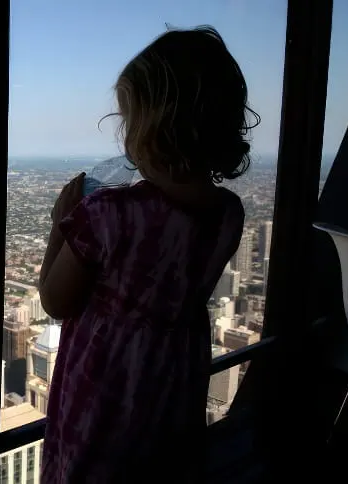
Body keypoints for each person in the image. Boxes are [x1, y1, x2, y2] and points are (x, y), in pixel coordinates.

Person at [39, 26, 257, 483]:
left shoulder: (107, 213)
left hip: (106, 386)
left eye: (129, 121)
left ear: (153, 127)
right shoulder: (228, 214)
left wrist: (61, 224)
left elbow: (55, 301)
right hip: (175, 377)